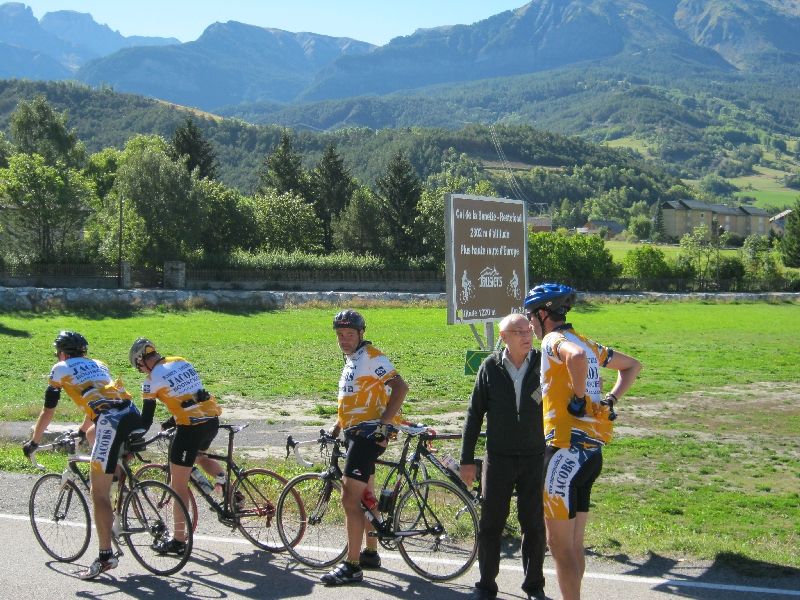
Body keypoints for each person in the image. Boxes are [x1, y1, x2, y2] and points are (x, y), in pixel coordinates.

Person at [524, 283, 641, 600]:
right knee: (574, 545)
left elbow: (573, 358)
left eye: (531, 315)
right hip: (591, 454)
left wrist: (578, 398)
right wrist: (610, 400)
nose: (530, 323)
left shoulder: (553, 340)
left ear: (543, 313)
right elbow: (632, 366)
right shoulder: (586, 342)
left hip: (563, 451)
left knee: (558, 546)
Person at [23, 331, 142, 580]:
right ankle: (123, 493)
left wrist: (34, 442)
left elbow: (48, 411)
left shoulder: (61, 368)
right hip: (132, 414)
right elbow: (99, 399)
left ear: (62, 353)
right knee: (92, 436)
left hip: (110, 422)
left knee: (98, 494)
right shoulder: (99, 365)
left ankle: (105, 555)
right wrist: (80, 431)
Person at [459, 313, 547, 600]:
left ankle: (534, 585)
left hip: (535, 456)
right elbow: (474, 415)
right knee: (491, 524)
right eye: (519, 331)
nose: (526, 336)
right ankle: (486, 585)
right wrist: (467, 459)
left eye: (529, 330)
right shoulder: (490, 367)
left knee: (533, 523)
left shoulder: (544, 365)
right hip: (498, 458)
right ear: (503, 337)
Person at [321, 309, 409, 586]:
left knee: (349, 499)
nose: (344, 339)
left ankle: (351, 565)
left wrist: (384, 424)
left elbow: (401, 387)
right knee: (366, 495)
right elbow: (352, 399)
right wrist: (336, 428)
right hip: (354, 433)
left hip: (367, 436)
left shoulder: (371, 357)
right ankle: (371, 553)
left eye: (349, 334)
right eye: (340, 335)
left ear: (361, 334)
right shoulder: (352, 360)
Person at [128, 337, 224, 555]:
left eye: (139, 367)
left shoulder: (151, 380)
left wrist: (132, 437)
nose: (142, 371)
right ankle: (226, 487)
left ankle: (179, 541)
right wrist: (172, 419)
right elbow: (191, 394)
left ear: (142, 360)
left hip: (190, 429)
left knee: (178, 486)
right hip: (211, 420)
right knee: (200, 457)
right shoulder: (180, 360)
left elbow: (145, 421)